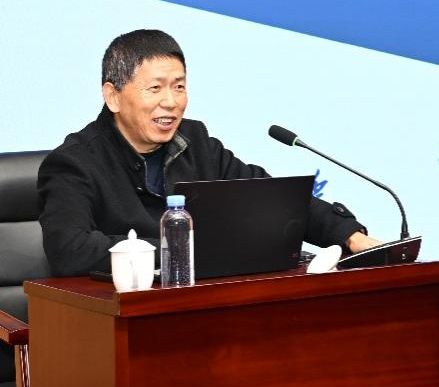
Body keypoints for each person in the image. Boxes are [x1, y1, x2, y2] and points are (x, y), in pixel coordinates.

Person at [38, 29, 381, 275]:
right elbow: (70, 250)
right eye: (155, 88)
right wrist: (182, 250)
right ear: (113, 96)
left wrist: (348, 235)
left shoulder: (196, 142)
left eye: (179, 87)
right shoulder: (75, 162)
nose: (170, 102)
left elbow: (271, 201)